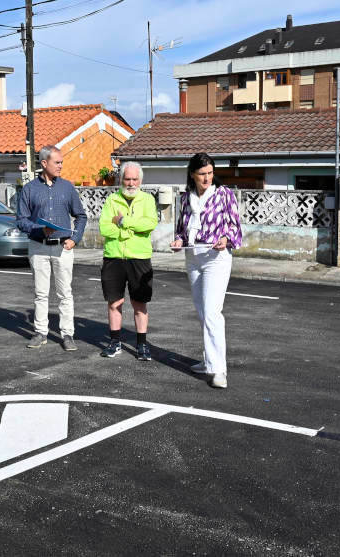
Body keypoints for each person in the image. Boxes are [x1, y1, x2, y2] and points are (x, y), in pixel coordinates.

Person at [169, 153, 243, 389]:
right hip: (193, 257)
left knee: (212, 312)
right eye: (202, 174)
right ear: (192, 174)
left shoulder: (224, 195)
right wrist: (178, 241)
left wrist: (225, 238)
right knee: (203, 312)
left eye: (210, 173)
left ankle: (219, 370)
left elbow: (235, 226)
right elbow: (182, 229)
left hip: (216, 258)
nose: (207, 178)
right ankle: (208, 360)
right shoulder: (186, 198)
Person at [16, 146, 87, 351]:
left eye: (61, 162)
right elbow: (21, 221)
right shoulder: (29, 189)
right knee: (41, 293)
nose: (61, 166)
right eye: (57, 162)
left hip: (63, 247)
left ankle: (67, 334)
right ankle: (41, 333)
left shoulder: (67, 187)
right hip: (38, 247)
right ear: (44, 163)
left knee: (65, 293)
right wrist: (40, 229)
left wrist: (75, 239)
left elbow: (81, 216)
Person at [98, 161, 158, 361]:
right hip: (113, 257)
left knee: (139, 303)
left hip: (139, 258)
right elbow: (105, 228)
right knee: (114, 302)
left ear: (140, 180)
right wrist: (130, 232)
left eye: (134, 179)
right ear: (121, 179)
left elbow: (149, 224)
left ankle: (142, 345)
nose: (131, 183)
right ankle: (115, 343)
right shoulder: (111, 200)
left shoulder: (148, 200)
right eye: (127, 179)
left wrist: (123, 222)